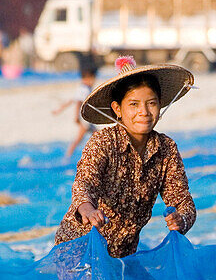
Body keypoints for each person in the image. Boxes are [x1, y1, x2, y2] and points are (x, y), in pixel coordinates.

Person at [54, 56, 196, 258]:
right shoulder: (103, 142)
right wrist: (87, 210)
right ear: (117, 109)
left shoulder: (166, 149)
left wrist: (181, 219)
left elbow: (183, 201)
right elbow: (84, 184)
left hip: (124, 256)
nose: (144, 112)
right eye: (134, 104)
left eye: (151, 103)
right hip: (79, 249)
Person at [53, 61, 98, 160]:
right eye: (93, 79)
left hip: (85, 118)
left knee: (96, 135)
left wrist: (59, 110)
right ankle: (67, 157)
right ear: (88, 78)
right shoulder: (85, 89)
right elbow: (78, 102)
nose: (93, 81)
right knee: (82, 138)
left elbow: (71, 100)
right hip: (84, 118)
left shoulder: (82, 87)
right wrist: (76, 116)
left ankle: (92, 155)